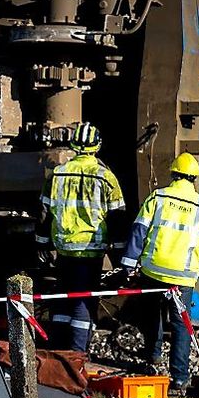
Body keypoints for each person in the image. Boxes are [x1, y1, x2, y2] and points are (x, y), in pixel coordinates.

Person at [120, 152, 199, 395]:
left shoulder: (159, 197)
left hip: (153, 271)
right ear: (194, 178)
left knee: (152, 318)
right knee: (181, 326)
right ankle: (179, 378)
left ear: (174, 174)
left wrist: (128, 265)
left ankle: (152, 361)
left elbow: (138, 232)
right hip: (183, 278)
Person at [36, 122, 126, 352]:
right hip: (91, 251)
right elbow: (116, 218)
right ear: (97, 147)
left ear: (74, 145)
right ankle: (77, 356)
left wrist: (43, 244)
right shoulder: (106, 178)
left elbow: (44, 213)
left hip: (63, 248)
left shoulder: (57, 174)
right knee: (83, 302)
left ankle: (56, 351)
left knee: (62, 299)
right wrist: (119, 258)